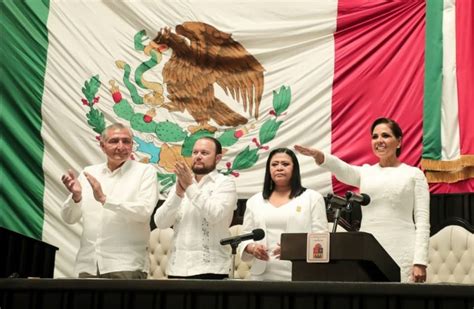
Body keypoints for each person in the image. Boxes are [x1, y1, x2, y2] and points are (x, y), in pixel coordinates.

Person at [295, 117, 430, 283]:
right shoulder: (366, 173)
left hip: (402, 249)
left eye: (385, 136)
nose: (379, 141)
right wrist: (321, 156)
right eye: (375, 137)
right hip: (369, 252)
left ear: (399, 141)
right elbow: (342, 169)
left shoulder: (414, 174)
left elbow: (423, 221)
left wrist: (420, 261)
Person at [61, 123, 159, 279]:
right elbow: (68, 218)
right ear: (102, 145)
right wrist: (76, 197)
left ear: (132, 145)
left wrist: (105, 199)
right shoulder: (89, 172)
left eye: (126, 141)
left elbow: (144, 212)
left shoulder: (145, 172)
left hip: (126, 265)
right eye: (114, 141)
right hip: (88, 264)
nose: (121, 146)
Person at [237, 148, 328, 281]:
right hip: (262, 275)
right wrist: (252, 248)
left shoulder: (312, 198)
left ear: (294, 169)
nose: (279, 168)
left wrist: (294, 248)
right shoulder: (254, 201)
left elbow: (322, 240)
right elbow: (245, 238)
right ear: (269, 170)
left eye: (285, 164)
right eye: (274, 164)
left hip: (300, 273)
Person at [153, 137, 237, 279]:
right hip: (176, 268)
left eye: (204, 153)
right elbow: (160, 222)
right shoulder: (181, 183)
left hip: (211, 269)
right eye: (195, 152)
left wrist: (190, 187)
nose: (198, 156)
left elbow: (214, 214)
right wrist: (178, 194)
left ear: (217, 158)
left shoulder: (225, 183)